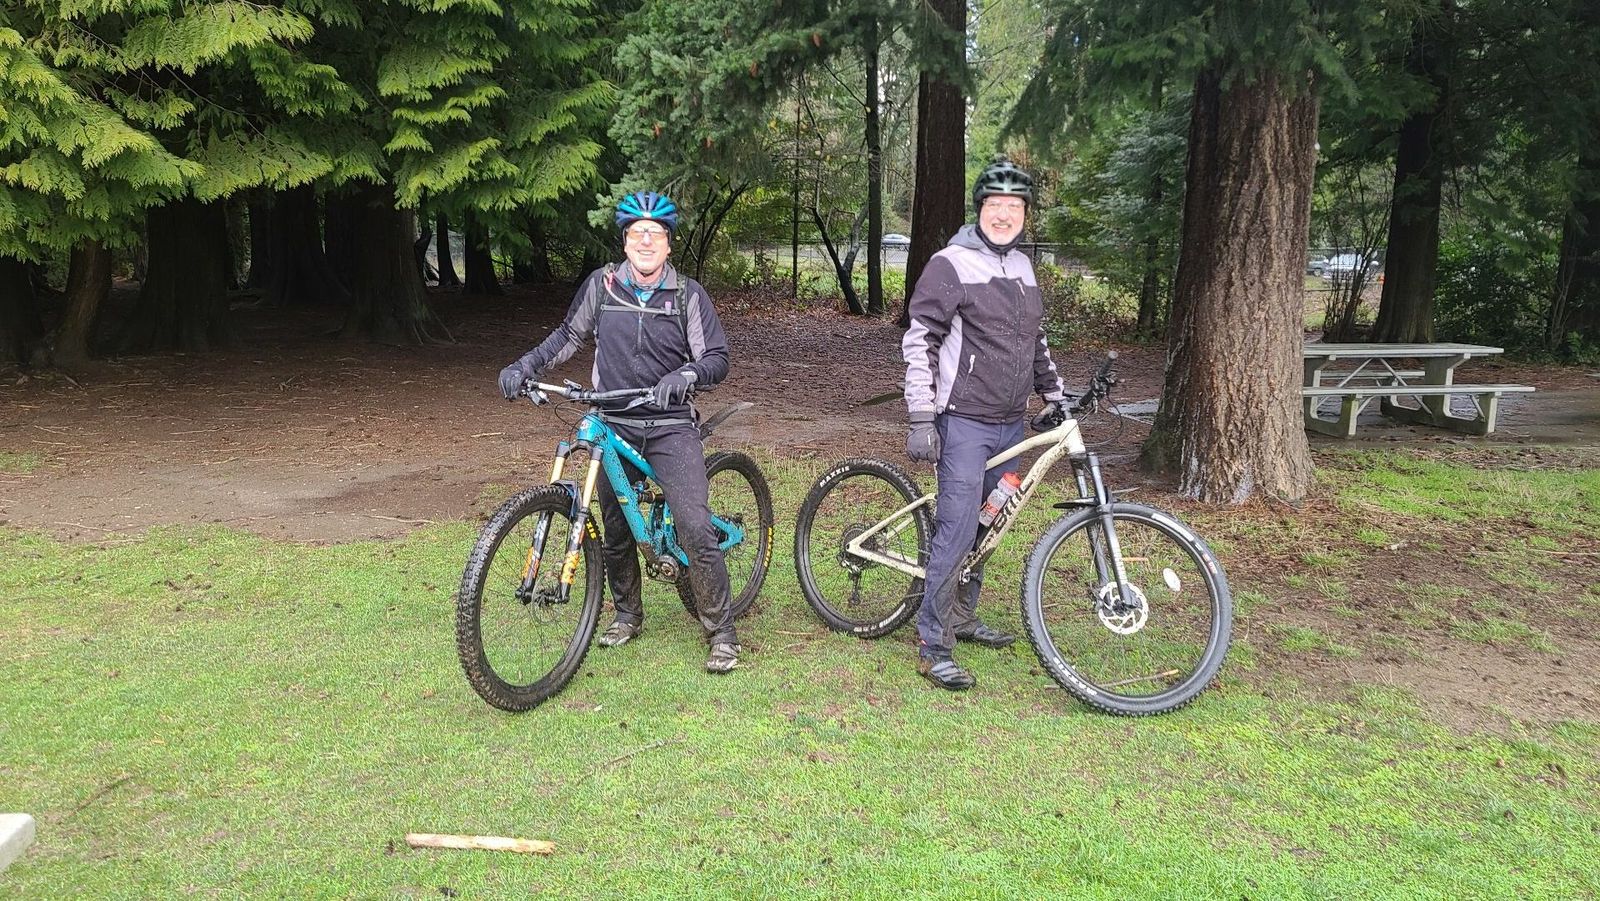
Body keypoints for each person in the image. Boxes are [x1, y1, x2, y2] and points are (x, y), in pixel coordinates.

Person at [497, 191, 740, 674]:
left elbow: (716, 358)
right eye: (637, 233)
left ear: (668, 244)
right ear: (625, 241)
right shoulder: (602, 286)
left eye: (655, 233)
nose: (646, 241)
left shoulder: (687, 295)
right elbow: (568, 336)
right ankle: (628, 615)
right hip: (614, 419)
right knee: (615, 525)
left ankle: (722, 633)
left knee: (694, 526)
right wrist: (525, 365)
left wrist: (686, 375)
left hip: (670, 425)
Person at [899, 158, 1071, 691]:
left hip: (1010, 424)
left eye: (1013, 207)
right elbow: (920, 339)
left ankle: (961, 614)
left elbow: (1035, 341)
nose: (1004, 215)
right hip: (963, 423)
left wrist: (1055, 394)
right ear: (980, 210)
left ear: (1025, 214)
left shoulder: (1023, 267)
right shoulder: (950, 264)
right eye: (995, 205)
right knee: (955, 529)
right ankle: (933, 643)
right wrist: (921, 415)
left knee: (990, 521)